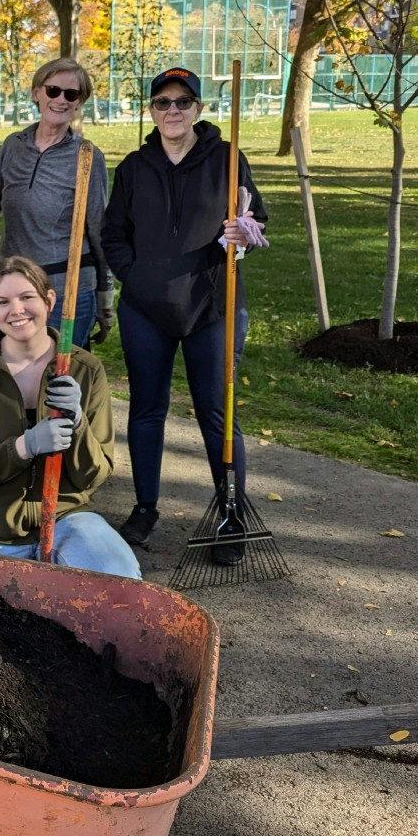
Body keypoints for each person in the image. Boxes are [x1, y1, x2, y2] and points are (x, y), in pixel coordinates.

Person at [100, 67, 268, 562]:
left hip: (211, 306)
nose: (172, 110)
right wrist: (138, 277)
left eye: (182, 101)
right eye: (162, 102)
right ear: (151, 110)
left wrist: (243, 234)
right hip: (145, 310)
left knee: (218, 414)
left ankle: (230, 511)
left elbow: (256, 222)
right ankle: (146, 507)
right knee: (147, 410)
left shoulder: (228, 161)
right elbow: (113, 234)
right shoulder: (133, 167)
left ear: (198, 108)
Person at [0, 257, 138, 577]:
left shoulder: (84, 369)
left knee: (119, 574)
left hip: (67, 516)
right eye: (2, 302)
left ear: (49, 300)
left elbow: (94, 475)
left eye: (27, 298)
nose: (16, 310)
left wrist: (78, 425)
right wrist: (23, 447)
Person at [0, 57, 114, 348]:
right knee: (0, 378)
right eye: (53, 90)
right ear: (37, 93)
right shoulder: (13, 145)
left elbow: (98, 229)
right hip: (12, 287)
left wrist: (104, 295)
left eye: (71, 94)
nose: (60, 99)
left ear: (79, 101)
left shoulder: (86, 155)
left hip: (64, 291)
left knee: (57, 386)